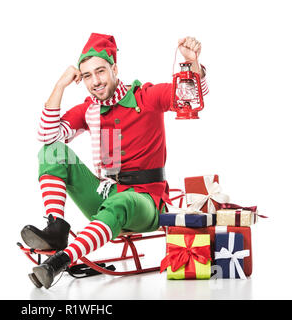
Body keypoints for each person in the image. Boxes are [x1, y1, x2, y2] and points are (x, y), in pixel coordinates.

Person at [21, 33, 208, 289]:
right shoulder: (91, 110)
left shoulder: (145, 97)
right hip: (106, 194)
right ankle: (56, 229)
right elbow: (47, 136)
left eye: (100, 71)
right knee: (52, 151)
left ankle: (58, 262)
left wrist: (192, 65)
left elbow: (189, 98)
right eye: (87, 75)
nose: (95, 81)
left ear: (114, 69)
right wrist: (60, 85)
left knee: (122, 201)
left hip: (146, 201)